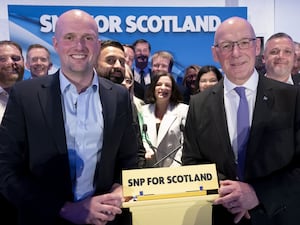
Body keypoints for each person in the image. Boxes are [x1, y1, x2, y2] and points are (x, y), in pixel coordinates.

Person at [0, 9, 138, 225]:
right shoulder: (25, 95)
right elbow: (6, 170)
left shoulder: (118, 96)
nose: (79, 46)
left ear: (97, 44)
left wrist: (120, 188)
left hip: (106, 219)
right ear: (56, 44)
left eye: (88, 38)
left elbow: (130, 158)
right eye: (70, 37)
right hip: (44, 220)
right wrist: (64, 209)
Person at [182, 16, 300, 225]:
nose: (236, 53)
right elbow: (192, 162)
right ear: (215, 53)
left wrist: (257, 194)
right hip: (222, 215)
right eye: (226, 46)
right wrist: (229, 194)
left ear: (256, 47)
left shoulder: (292, 98)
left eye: (244, 43)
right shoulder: (198, 104)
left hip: (278, 216)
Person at [96, 40, 145, 169]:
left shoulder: (125, 101)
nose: (118, 66)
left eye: (122, 62)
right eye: (110, 60)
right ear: (94, 63)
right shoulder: (79, 96)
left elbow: (136, 151)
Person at [0, 40, 24, 225]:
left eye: (16, 58)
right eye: (3, 59)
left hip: (32, 193)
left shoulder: (40, 97)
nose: (11, 62)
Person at [141, 72, 188, 168]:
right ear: (153, 88)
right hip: (148, 170)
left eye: (167, 85)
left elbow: (186, 144)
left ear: (172, 90)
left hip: (175, 170)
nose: (163, 88)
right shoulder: (143, 110)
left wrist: (175, 168)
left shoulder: (183, 110)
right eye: (159, 85)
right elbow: (140, 138)